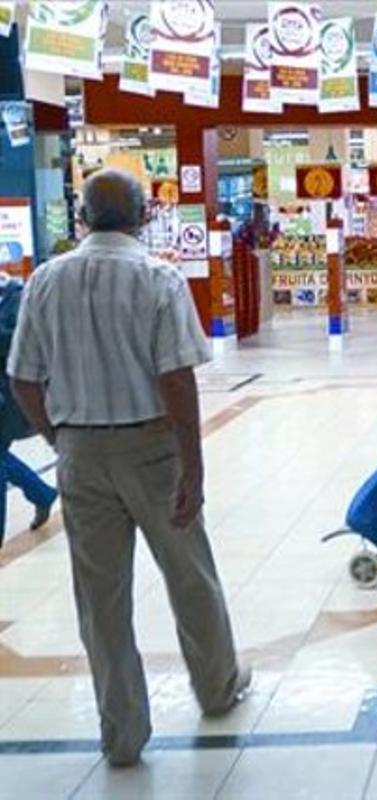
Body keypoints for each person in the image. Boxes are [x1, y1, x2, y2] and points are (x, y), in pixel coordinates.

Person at [7, 169, 249, 767]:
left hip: (81, 454)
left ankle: (122, 734)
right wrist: (193, 468)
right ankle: (217, 688)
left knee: (100, 598)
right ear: (143, 215)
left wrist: (60, 439)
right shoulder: (157, 277)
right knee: (190, 575)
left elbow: (22, 378)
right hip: (152, 450)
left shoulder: (44, 281)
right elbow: (176, 378)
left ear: (82, 219)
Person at [0, 274, 56, 545]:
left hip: (9, 395)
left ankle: (42, 493)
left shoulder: (16, 296)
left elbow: (16, 341)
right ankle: (42, 493)